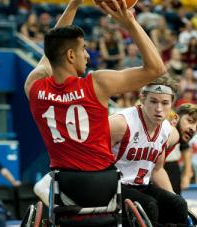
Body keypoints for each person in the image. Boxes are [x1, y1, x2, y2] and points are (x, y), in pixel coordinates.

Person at [25, 0, 165, 173]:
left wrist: (74, 4)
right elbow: (156, 69)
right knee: (156, 201)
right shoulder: (96, 84)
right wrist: (130, 23)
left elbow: (53, 50)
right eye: (83, 49)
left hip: (65, 181)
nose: (87, 56)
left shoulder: (34, 86)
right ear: (70, 55)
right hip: (100, 181)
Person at [109, 75, 193, 227]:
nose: (159, 109)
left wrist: (173, 198)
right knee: (148, 206)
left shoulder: (165, 130)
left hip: (140, 186)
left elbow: (157, 170)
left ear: (172, 104)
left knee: (177, 205)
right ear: (142, 99)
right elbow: (90, 156)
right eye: (153, 102)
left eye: (165, 103)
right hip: (110, 184)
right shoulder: (121, 123)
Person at [164, 104, 197, 194]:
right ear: (176, 118)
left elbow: (186, 149)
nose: (194, 129)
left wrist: (187, 175)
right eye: (190, 121)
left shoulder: (181, 136)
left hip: (172, 168)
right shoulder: (167, 130)